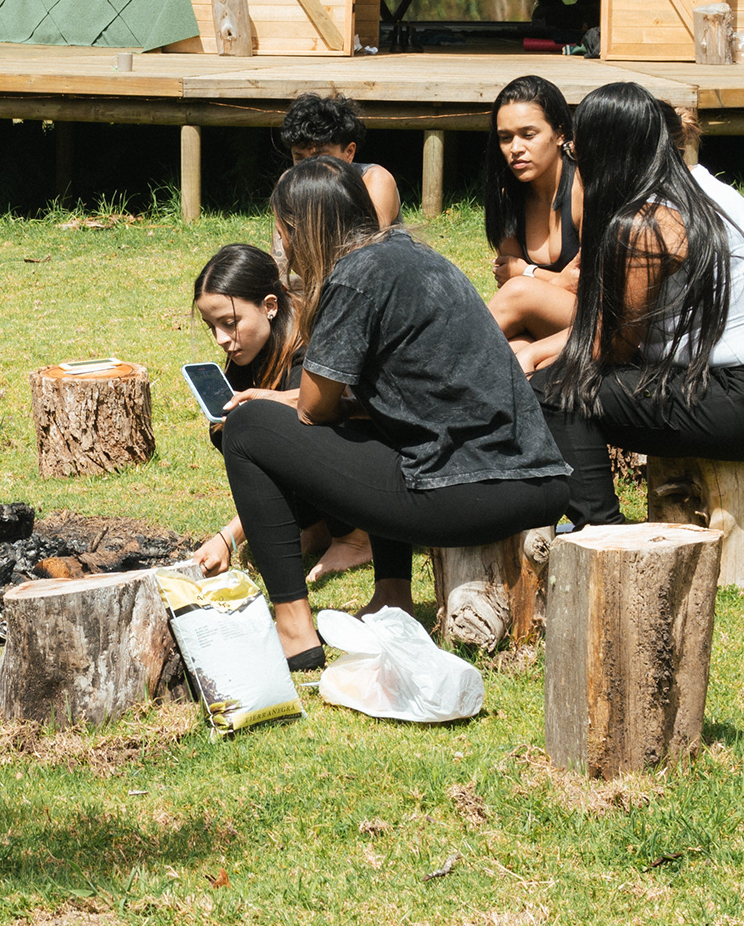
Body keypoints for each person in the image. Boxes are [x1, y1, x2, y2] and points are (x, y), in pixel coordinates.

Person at [220, 159, 570, 664]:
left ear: (304, 228)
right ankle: (391, 597)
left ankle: (294, 631)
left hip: (470, 493)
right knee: (373, 418)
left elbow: (315, 409)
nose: (283, 247)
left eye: (283, 232)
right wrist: (288, 398)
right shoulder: (412, 254)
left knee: (246, 428)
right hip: (539, 483)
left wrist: (275, 403)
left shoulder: (352, 277)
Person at [526, 81, 744, 526]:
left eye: (577, 152)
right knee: (552, 376)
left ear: (606, 152)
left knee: (555, 393)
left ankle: (603, 531)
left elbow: (616, 346)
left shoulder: (648, 222)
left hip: (741, 398)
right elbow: (608, 327)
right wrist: (539, 352)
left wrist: (536, 362)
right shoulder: (705, 188)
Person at [188, 244, 368, 584]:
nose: (221, 339)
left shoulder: (310, 346)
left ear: (270, 306)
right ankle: (316, 526)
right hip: (330, 472)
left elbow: (288, 452)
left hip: (370, 466)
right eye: (211, 326)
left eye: (230, 323)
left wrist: (228, 537)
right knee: (228, 429)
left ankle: (355, 538)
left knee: (284, 432)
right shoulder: (252, 349)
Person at [484, 75, 583, 358]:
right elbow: (508, 275)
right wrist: (552, 281)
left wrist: (526, 273)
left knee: (520, 292)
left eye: (528, 135)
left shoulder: (582, 189)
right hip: (540, 321)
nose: (515, 148)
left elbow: (588, 285)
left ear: (560, 134)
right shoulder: (507, 197)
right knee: (511, 355)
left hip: (594, 321)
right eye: (505, 138)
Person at [277, 91, 401, 228]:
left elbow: (372, 239)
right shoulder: (290, 183)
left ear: (349, 152)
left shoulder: (374, 180)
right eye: (300, 159)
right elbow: (281, 240)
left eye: (320, 158)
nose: (308, 168)